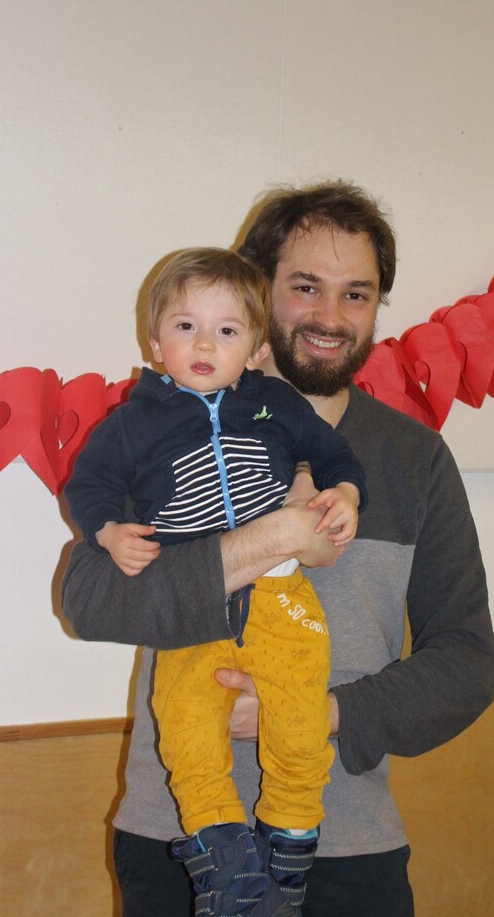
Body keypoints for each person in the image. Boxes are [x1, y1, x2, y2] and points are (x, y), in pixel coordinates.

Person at [61, 180, 494, 917]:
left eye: (356, 294)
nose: (330, 317)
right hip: (175, 840)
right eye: (305, 287)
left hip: (348, 847)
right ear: (257, 292)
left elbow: (466, 664)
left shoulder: (412, 459)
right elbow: (88, 603)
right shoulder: (156, 433)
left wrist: (314, 713)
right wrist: (268, 541)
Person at [64, 248, 367, 916]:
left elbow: (332, 453)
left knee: (300, 725)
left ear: (255, 349)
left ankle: (288, 856)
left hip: (283, 597)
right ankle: (228, 874)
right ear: (155, 343)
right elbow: (89, 484)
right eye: (186, 327)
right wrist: (109, 532)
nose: (205, 344)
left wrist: (345, 491)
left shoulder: (275, 404)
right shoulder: (132, 423)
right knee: (187, 734)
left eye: (226, 330)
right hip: (193, 613)